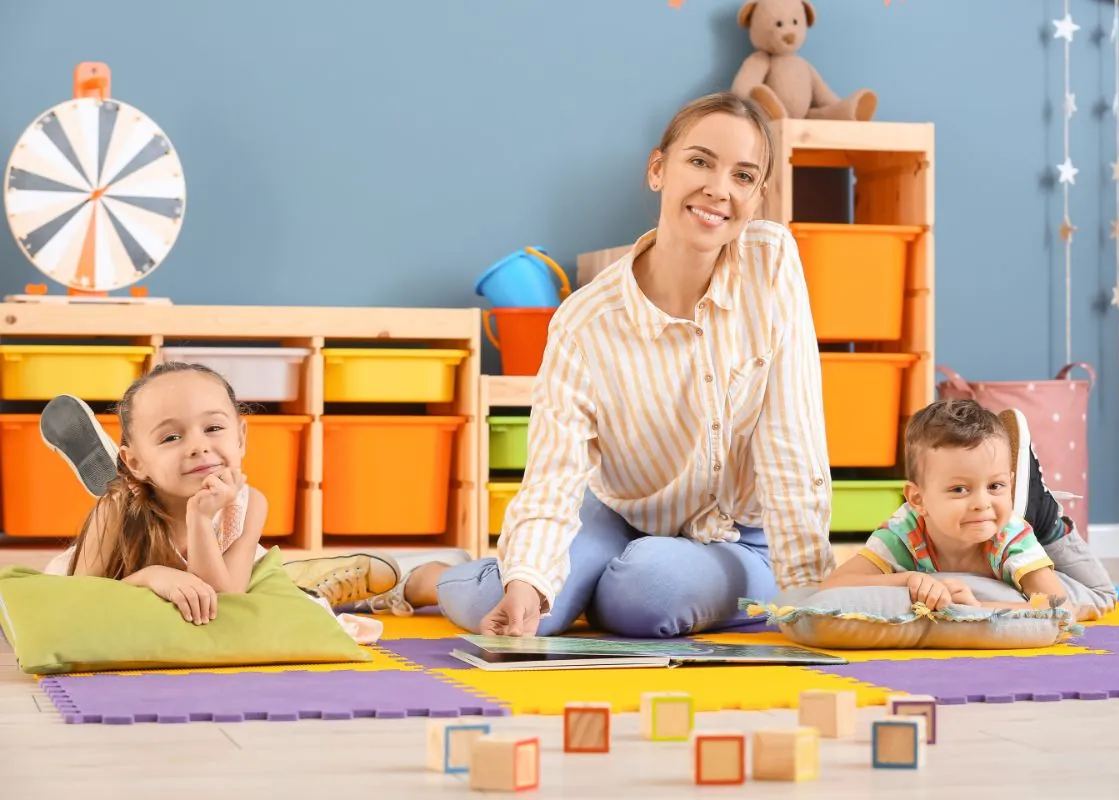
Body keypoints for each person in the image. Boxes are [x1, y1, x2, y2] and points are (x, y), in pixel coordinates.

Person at [389, 91, 836, 639]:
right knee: (515, 599)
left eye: (743, 176)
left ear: (759, 196)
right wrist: (528, 582)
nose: (719, 189)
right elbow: (553, 474)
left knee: (647, 593)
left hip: (741, 536)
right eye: (699, 161)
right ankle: (420, 578)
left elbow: (794, 436)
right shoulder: (584, 322)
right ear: (658, 169)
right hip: (619, 516)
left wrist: (806, 591)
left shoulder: (772, 263)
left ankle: (603, 588)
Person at [36, 364, 421, 643]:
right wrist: (151, 577)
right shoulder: (114, 511)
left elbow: (225, 602)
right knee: (122, 504)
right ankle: (128, 479)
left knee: (278, 600)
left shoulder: (248, 505)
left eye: (214, 428)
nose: (199, 446)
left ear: (240, 437)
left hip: (218, 583)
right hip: (119, 573)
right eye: (170, 437)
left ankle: (312, 582)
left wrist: (201, 521)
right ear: (135, 460)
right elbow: (80, 606)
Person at [819, 399, 1076, 614]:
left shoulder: (1011, 536)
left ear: (1009, 483)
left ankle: (1042, 508)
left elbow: (1061, 610)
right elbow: (833, 586)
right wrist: (909, 580)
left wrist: (977, 608)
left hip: (1045, 535)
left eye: (995, 486)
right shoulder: (903, 533)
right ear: (918, 500)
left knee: (1097, 596)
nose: (981, 504)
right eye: (959, 490)